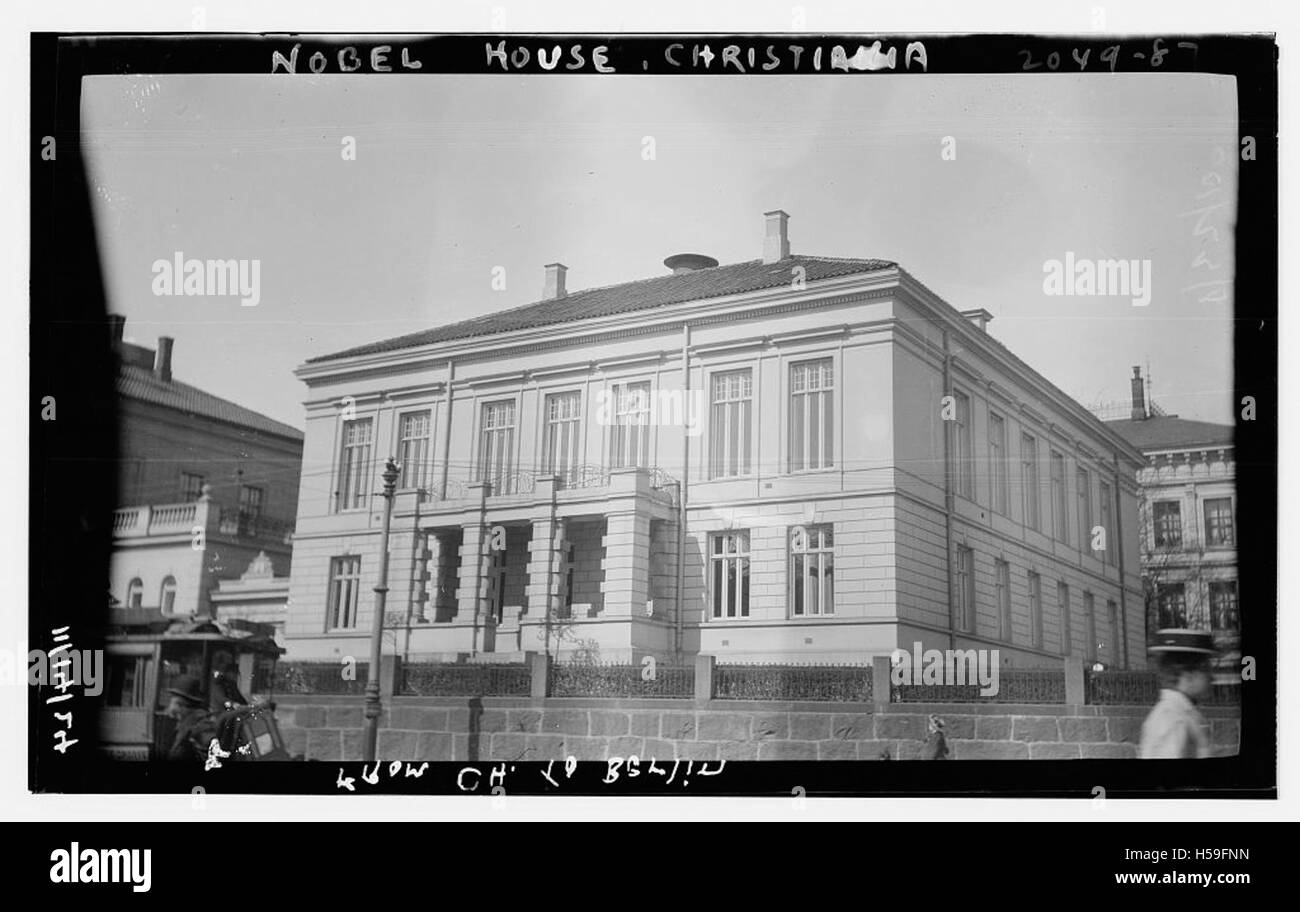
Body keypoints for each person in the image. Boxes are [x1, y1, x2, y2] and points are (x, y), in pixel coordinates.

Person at [1139, 628, 1215, 759]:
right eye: (1206, 669)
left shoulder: (1181, 713)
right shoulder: (1173, 719)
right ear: (1188, 675)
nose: (1212, 677)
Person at [164, 675, 218, 762]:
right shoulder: (184, 723)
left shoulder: (201, 725)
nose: (169, 707)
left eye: (171, 701)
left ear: (179, 705)